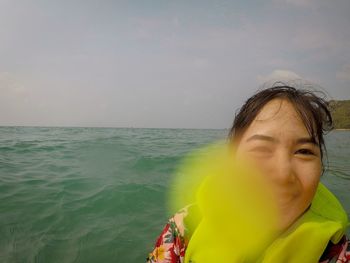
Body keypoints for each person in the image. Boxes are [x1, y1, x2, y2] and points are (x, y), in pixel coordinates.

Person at [147, 85, 350, 263]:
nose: (282, 174)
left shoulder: (337, 251)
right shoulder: (184, 229)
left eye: (304, 151)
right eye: (261, 149)